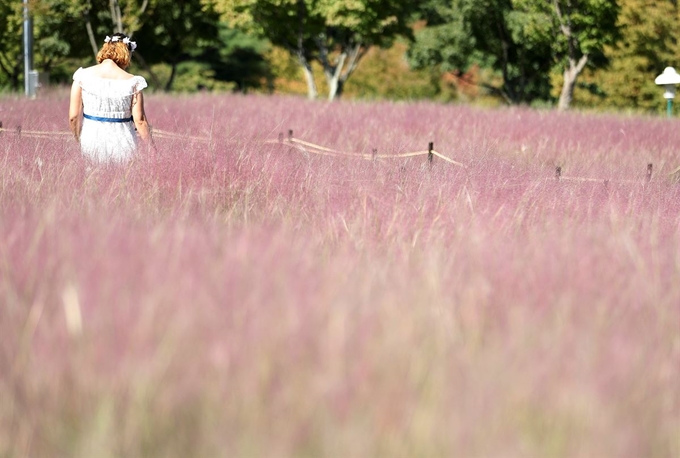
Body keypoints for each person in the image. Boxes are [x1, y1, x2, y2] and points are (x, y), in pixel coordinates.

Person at [69, 33, 151, 163]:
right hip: (124, 144)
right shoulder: (134, 82)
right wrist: (151, 149)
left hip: (91, 142)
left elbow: (73, 116)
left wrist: (79, 139)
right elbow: (140, 121)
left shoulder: (81, 76)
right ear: (126, 53)